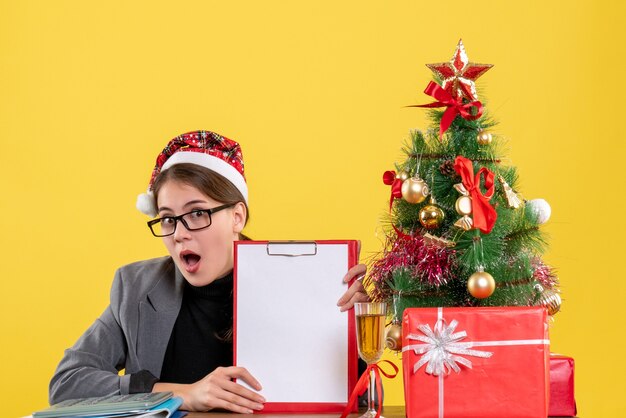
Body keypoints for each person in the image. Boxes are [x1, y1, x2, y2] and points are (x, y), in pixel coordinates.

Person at [49, 130, 369, 413]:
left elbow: (354, 401)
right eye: (168, 218)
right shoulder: (135, 288)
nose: (178, 233)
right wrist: (181, 395)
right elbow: (67, 383)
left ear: (237, 217)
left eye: (197, 213)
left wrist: (353, 330)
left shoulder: (300, 280)